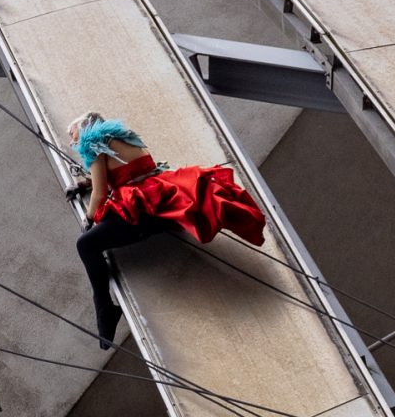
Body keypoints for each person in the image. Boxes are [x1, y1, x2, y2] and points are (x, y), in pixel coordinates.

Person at [69, 112, 267, 350]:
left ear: (84, 130)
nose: (73, 142)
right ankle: (106, 309)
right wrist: (84, 183)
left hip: (142, 212)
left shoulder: (93, 145)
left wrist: (88, 219)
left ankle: (105, 310)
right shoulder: (123, 138)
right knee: (104, 233)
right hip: (164, 205)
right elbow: (123, 172)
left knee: (86, 244)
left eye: (73, 136)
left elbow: (100, 194)